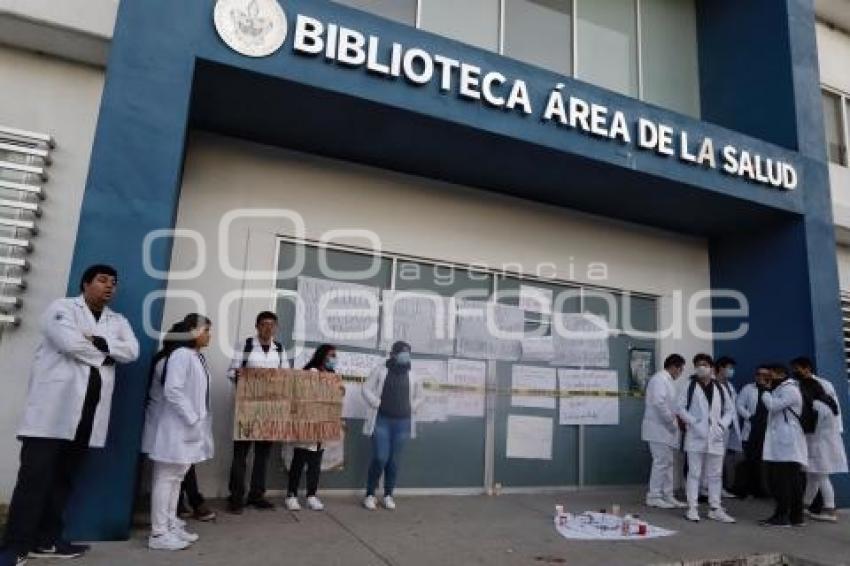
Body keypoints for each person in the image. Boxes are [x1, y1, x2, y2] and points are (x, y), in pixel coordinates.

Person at [0, 265, 139, 566]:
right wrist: (106, 356)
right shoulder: (61, 308)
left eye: (113, 283)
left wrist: (99, 342)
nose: (109, 287)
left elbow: (132, 351)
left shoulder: (118, 321)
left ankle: (47, 540)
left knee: (63, 480)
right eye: (102, 280)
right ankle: (14, 546)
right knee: (33, 481)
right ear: (86, 284)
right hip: (51, 414)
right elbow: (69, 342)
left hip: (87, 416)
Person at [144, 314, 214, 551]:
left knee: (177, 478)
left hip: (188, 428)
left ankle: (171, 524)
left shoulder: (194, 356)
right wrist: (192, 418)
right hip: (177, 426)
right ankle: (159, 533)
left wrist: (197, 422)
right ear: (193, 331)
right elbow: (173, 391)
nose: (209, 335)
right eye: (206, 330)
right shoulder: (181, 355)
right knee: (166, 478)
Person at [226, 311, 289, 514]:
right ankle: (236, 497)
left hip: (270, 410)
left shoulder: (279, 349)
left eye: (272, 324)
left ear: (276, 327)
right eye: (263, 324)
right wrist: (239, 376)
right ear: (257, 326)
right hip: (247, 407)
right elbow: (231, 371)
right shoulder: (245, 345)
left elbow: (286, 374)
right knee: (241, 454)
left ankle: (257, 495)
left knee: (263, 454)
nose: (268, 328)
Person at [362, 341, 423, 511]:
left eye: (408, 353)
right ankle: (370, 494)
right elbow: (366, 388)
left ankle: (388, 494)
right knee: (380, 457)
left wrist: (412, 407)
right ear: (393, 354)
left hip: (402, 423)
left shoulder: (413, 374)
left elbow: (421, 396)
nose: (406, 356)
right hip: (381, 420)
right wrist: (376, 402)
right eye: (402, 353)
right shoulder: (380, 370)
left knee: (394, 461)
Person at [677, 353, 736, 523]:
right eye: (698, 365)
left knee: (715, 474)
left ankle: (715, 508)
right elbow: (679, 408)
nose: (701, 367)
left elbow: (730, 411)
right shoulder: (688, 385)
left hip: (716, 436)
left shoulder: (720, 387)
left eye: (704, 364)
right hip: (696, 435)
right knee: (694, 473)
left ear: (711, 368)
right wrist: (694, 423)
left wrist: (722, 426)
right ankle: (692, 507)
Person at [791, 357, 847, 523]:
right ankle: (805, 506)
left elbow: (813, 425)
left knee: (821, 476)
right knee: (813, 476)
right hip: (822, 442)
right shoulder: (825, 403)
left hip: (819, 444)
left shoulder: (818, 405)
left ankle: (830, 510)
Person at [286, 344, 338, 512]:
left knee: (316, 463)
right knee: (299, 461)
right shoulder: (310, 372)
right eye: (331, 355)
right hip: (306, 423)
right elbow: (301, 395)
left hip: (322, 426)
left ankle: (311, 495)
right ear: (322, 356)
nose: (333, 359)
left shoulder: (332, 376)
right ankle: (291, 495)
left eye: (335, 356)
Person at [760, 364, 808, 527]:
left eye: (770, 374)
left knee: (783, 482)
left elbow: (773, 406)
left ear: (779, 374)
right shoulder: (784, 388)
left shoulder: (790, 390)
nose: (768, 378)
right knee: (792, 482)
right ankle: (796, 517)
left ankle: (782, 517)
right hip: (786, 443)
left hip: (787, 444)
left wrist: (765, 392)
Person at [641, 353, 688, 509]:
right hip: (658, 429)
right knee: (661, 462)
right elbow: (659, 404)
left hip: (665, 430)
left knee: (668, 463)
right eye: (680, 370)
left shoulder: (666, 381)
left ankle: (667, 495)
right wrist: (671, 422)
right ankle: (654, 496)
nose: (680, 373)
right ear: (674, 367)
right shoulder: (659, 379)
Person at [733, 365, 770, 498]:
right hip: (752, 429)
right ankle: (745, 489)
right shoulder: (748, 388)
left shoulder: (773, 389)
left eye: (765, 375)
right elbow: (739, 405)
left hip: (768, 430)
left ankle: (760, 489)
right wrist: (749, 416)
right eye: (759, 374)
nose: (761, 377)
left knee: (763, 462)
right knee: (750, 461)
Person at [715, 356, 743, 498]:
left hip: (728, 428)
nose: (731, 371)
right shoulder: (712, 383)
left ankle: (718, 488)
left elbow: (733, 406)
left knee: (721, 460)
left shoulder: (729, 386)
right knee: (713, 460)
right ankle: (708, 489)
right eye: (729, 368)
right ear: (720, 367)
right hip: (716, 427)